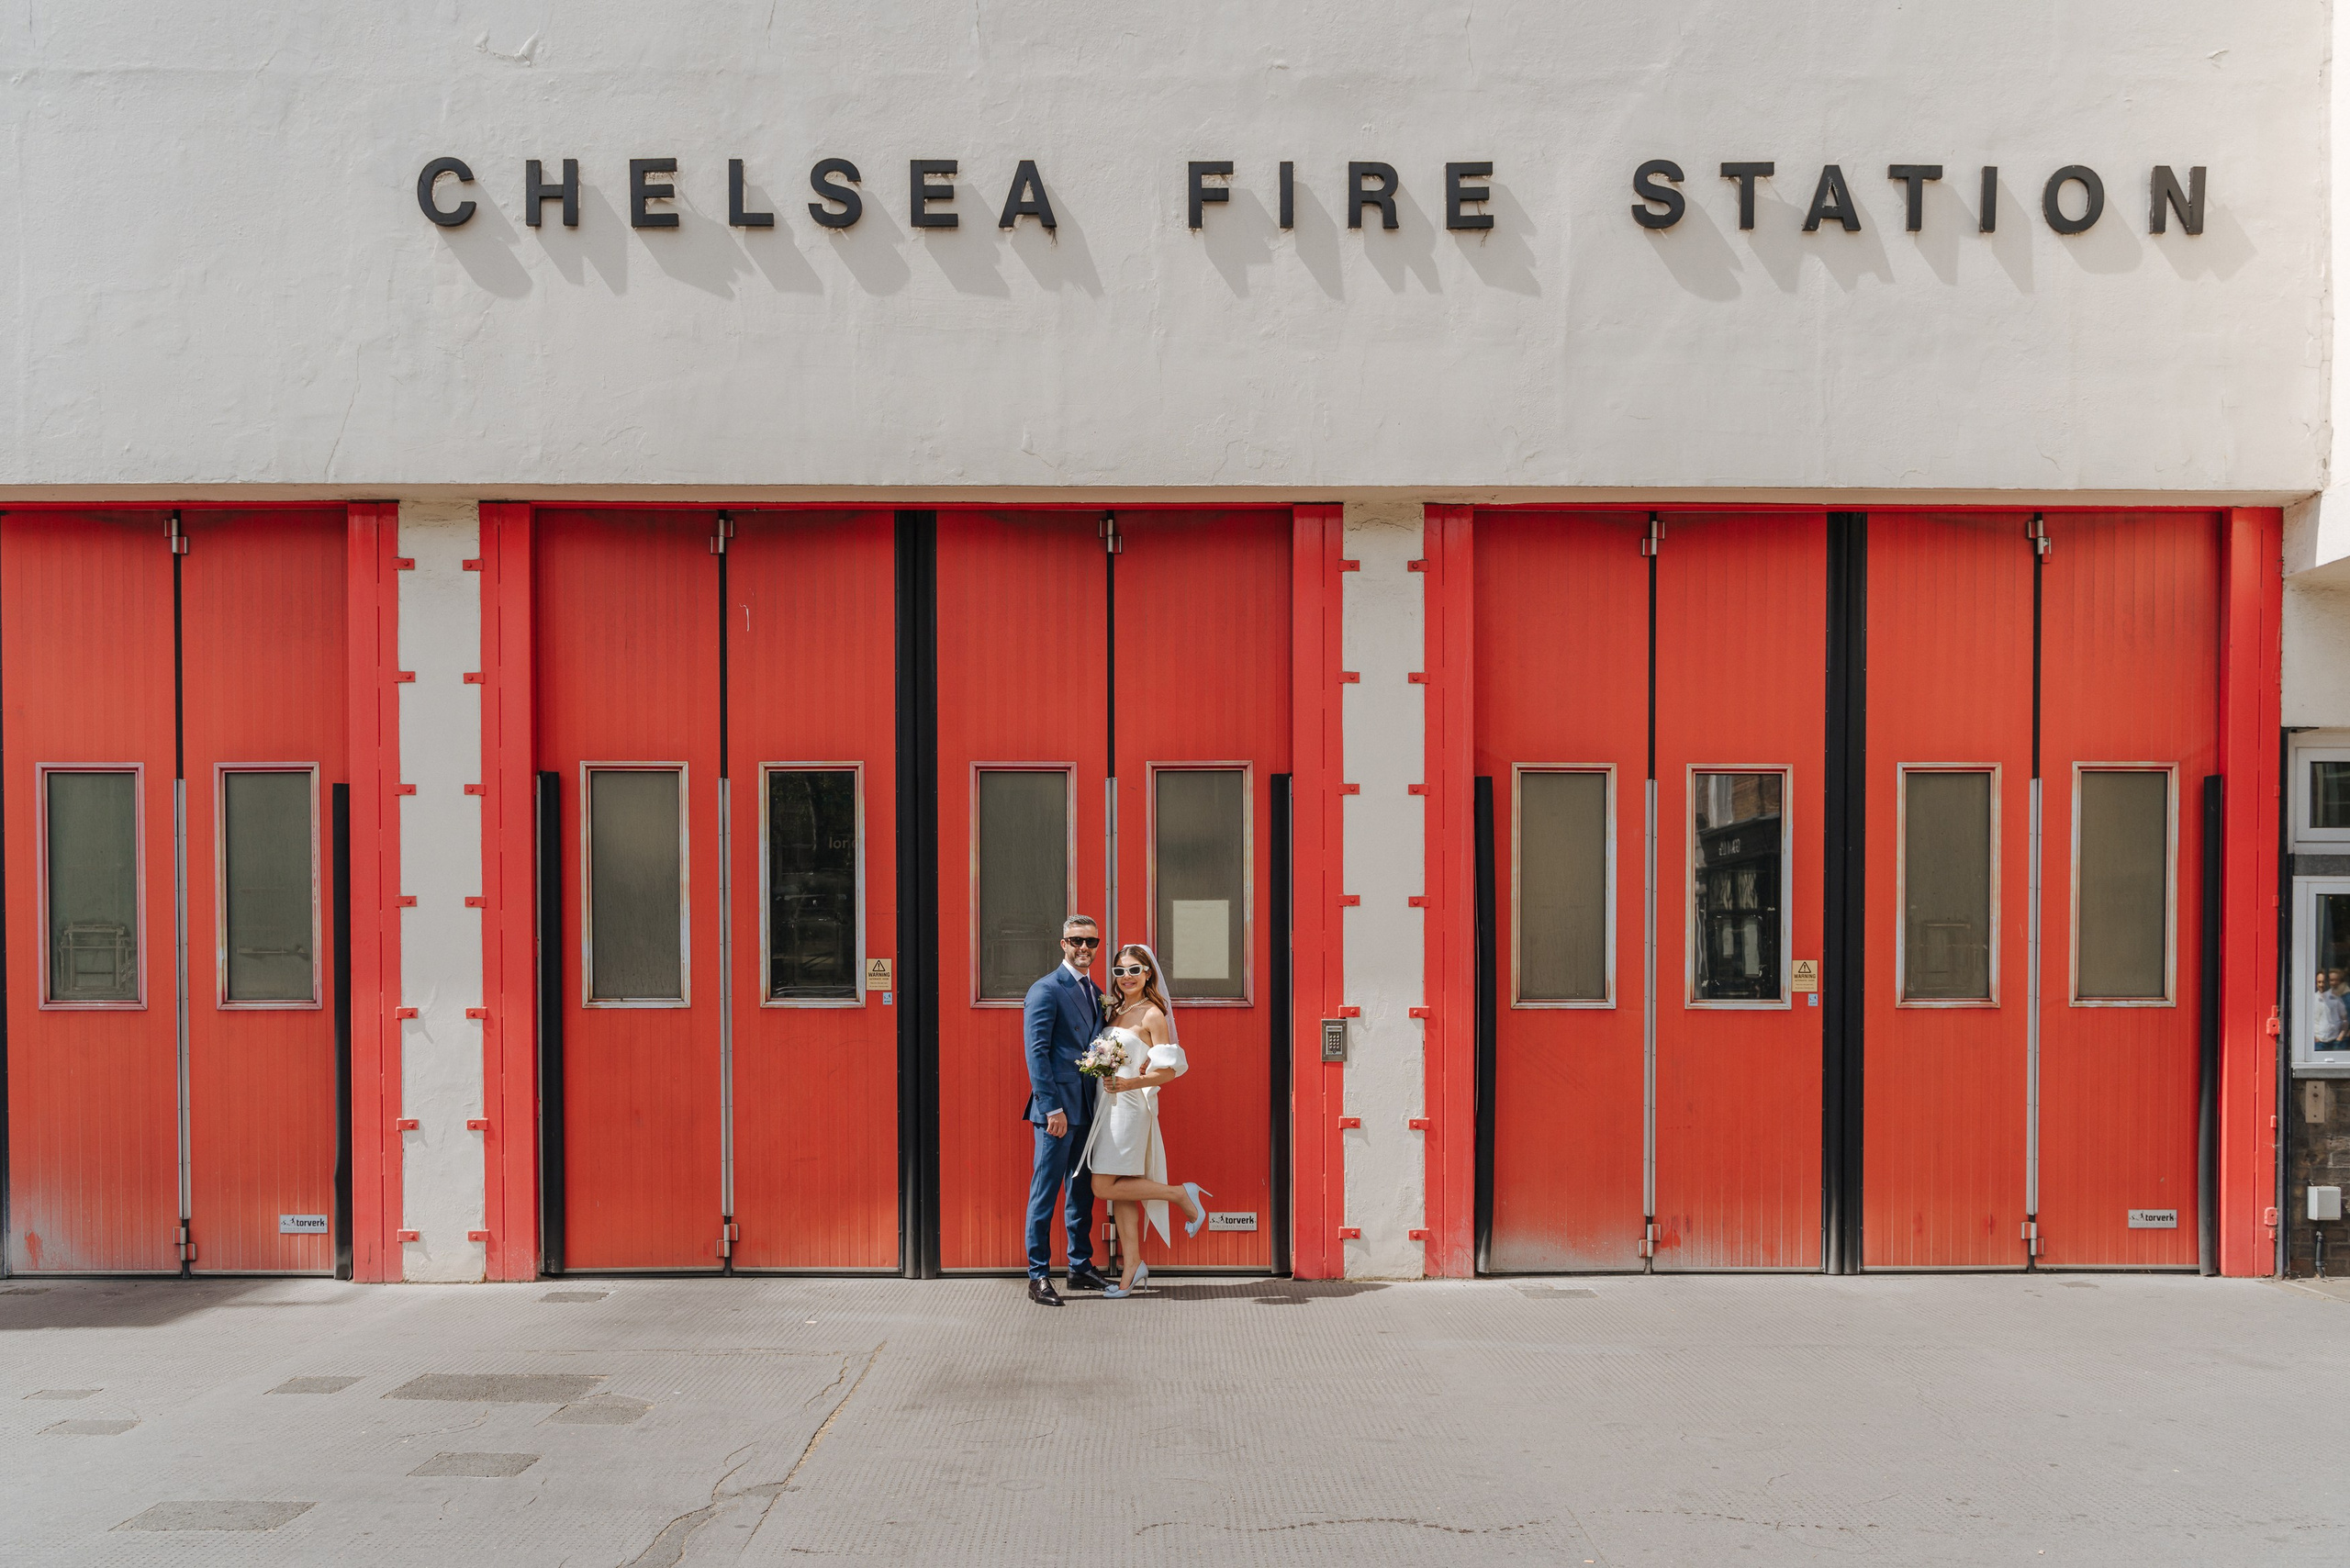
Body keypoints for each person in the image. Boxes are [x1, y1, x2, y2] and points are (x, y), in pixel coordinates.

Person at [1080, 943, 1211, 1298]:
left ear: (1148, 972)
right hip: (1105, 1107)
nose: (1126, 978)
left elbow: (1169, 1071)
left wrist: (1133, 1081)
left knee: (1103, 1186)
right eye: (1120, 971)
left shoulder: (1153, 1013)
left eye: (1134, 970)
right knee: (1122, 1189)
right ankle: (1132, 1267)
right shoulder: (1116, 1009)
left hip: (1129, 1109)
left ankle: (1181, 1194)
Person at [1020, 915, 1113, 1305]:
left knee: (1081, 1191)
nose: (1084, 948)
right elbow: (1036, 1053)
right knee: (1045, 1192)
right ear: (1063, 943)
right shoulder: (1046, 989)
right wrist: (1051, 1107)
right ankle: (1038, 1275)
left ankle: (1079, 1265)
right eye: (1076, 941)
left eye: (1091, 942)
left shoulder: (1095, 991)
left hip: (1088, 1109)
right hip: (1056, 1111)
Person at [2315, 968, 2347, 1053]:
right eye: (2319, 982)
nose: (2321, 985)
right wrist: (2313, 1037)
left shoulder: (2336, 999)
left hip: (2334, 1042)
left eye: (2323, 982)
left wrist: (2340, 1038)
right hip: (2318, 1042)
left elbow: (2345, 1020)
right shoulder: (2312, 1000)